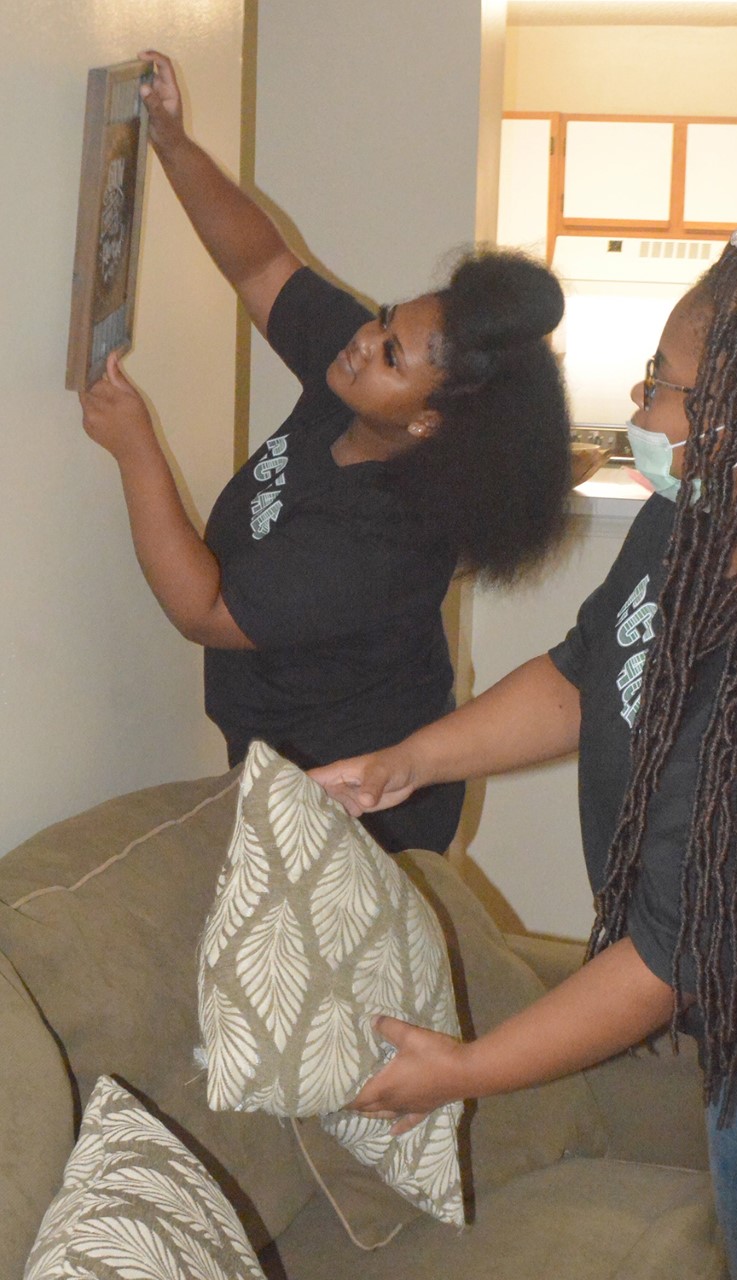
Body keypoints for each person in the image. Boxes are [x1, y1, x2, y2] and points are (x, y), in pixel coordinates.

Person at [310, 210, 737, 1280]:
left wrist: (462, 1069)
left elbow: (664, 954)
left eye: (661, 384)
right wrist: (409, 760)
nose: (639, 409)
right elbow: (582, 669)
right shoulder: (696, 509)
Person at [78, 51, 572, 855]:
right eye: (384, 320)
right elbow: (260, 263)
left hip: (365, 811)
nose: (363, 341)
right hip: (289, 767)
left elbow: (204, 610)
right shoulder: (353, 380)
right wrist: (170, 141)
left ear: (428, 424)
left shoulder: (383, 536)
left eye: (392, 356)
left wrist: (137, 450)